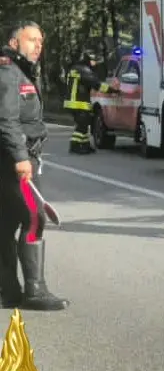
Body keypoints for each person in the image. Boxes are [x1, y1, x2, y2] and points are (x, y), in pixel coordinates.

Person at [0, 22, 66, 310]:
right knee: (34, 217)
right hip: (14, 160)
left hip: (17, 158)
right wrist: (21, 158)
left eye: (41, 41)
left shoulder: (20, 71)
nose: (38, 45)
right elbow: (7, 120)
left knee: (5, 224)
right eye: (32, 40)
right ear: (14, 43)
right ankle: (35, 291)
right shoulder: (8, 73)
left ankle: (9, 291)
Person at [63, 48, 108, 154]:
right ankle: (75, 146)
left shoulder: (75, 68)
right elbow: (96, 84)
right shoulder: (84, 70)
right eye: (93, 60)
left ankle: (85, 145)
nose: (95, 63)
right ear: (88, 59)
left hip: (73, 102)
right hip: (79, 103)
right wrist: (112, 90)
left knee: (84, 125)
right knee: (82, 126)